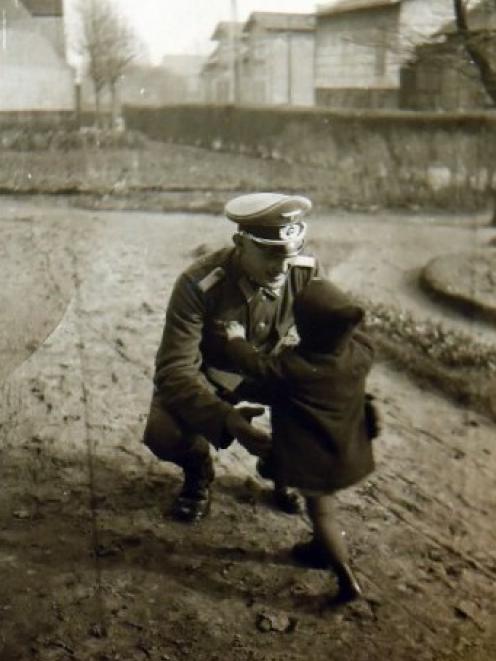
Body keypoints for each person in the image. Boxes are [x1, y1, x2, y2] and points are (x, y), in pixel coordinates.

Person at [143, 192, 320, 523]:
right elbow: (175, 369)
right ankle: (198, 472)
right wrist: (226, 419)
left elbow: (322, 346)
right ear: (240, 242)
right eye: (270, 252)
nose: (282, 266)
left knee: (318, 399)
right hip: (211, 375)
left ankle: (284, 469)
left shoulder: (304, 272)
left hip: (267, 371)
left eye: (291, 253)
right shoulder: (199, 283)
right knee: (163, 432)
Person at [221, 278, 379, 603]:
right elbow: (356, 333)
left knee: (323, 513)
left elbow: (255, 366)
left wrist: (235, 339)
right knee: (281, 463)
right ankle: (308, 530)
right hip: (344, 448)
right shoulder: (362, 353)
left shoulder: (294, 368)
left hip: (315, 459)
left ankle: (346, 578)